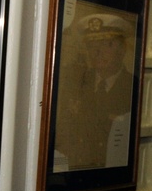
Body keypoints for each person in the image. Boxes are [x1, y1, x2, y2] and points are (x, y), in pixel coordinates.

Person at [55, 13, 135, 170]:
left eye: (107, 44)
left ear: (123, 49)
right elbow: (63, 129)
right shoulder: (77, 81)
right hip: (76, 170)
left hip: (114, 174)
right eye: (92, 46)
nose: (98, 52)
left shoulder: (133, 86)